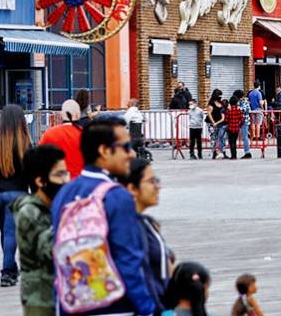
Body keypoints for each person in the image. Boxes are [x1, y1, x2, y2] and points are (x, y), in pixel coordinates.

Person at [51, 116, 157, 315]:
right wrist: (148, 309)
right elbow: (128, 261)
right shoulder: (117, 196)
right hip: (115, 305)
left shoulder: (64, 193)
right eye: (125, 147)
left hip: (73, 303)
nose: (131, 154)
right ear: (104, 151)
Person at [13, 144, 67, 316]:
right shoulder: (29, 212)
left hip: (61, 294)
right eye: (59, 174)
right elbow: (52, 250)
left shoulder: (53, 205)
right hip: (42, 301)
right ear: (40, 181)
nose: (66, 180)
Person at [123, 159, 174, 310]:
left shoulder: (146, 223)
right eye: (152, 181)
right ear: (132, 188)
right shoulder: (129, 227)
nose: (158, 187)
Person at [0, 105, 31, 287]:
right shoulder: (25, 143)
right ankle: (7, 271)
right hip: (17, 195)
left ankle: (10, 268)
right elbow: (31, 174)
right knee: (11, 234)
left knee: (4, 234)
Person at [38, 100, 84, 179]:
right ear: (78, 114)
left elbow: (38, 158)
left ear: (62, 114)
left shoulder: (49, 134)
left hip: (57, 182)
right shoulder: (86, 135)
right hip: (80, 183)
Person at [206, 89, 227, 159]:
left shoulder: (221, 103)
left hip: (220, 123)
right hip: (211, 123)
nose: (220, 97)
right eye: (219, 95)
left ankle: (222, 152)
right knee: (213, 137)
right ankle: (214, 152)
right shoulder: (211, 103)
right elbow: (209, 113)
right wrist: (213, 123)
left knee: (221, 138)